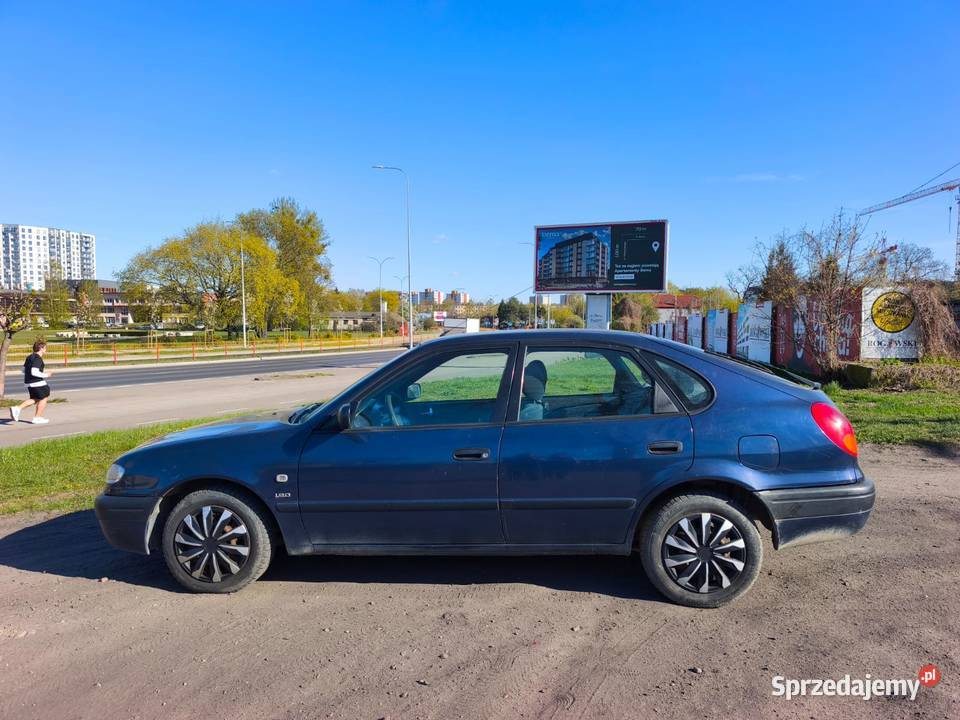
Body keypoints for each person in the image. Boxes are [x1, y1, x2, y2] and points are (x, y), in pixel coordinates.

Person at [10, 340, 54, 425]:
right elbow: (34, 372)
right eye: (45, 347)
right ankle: (37, 418)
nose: (46, 349)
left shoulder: (30, 357)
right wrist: (46, 375)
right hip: (37, 382)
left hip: (29, 382)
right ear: (41, 348)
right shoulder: (38, 358)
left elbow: (23, 370)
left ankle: (17, 409)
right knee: (44, 397)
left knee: (35, 398)